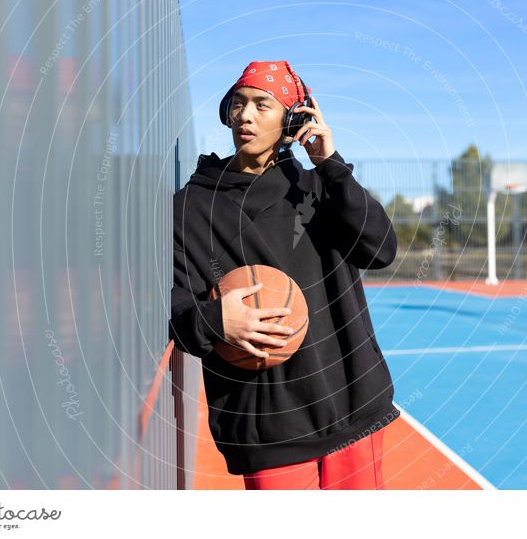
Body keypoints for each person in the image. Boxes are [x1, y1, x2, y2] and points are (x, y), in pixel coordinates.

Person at [170, 60, 399, 490]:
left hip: (350, 404)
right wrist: (215, 321)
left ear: (294, 119)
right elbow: (173, 302)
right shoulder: (190, 208)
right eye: (237, 104)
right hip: (266, 425)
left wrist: (332, 165)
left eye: (262, 104)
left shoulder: (322, 188)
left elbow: (381, 249)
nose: (245, 116)